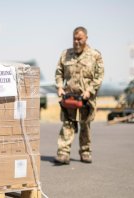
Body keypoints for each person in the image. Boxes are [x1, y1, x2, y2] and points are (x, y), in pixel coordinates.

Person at [54, 26, 104, 164]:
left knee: (85, 126)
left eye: (80, 39)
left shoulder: (95, 55)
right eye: (74, 39)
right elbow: (59, 73)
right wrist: (59, 87)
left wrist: (90, 91)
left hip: (86, 99)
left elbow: (99, 77)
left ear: (86, 38)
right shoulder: (65, 54)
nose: (76, 42)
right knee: (67, 124)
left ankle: (85, 152)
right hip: (69, 97)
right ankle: (63, 153)